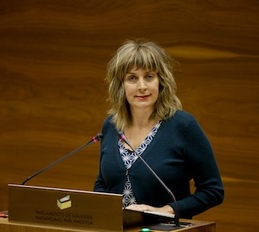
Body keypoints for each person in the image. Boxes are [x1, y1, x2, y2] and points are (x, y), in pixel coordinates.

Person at [93, 39, 224, 219]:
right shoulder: (111, 125)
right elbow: (102, 183)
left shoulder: (183, 126)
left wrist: (167, 210)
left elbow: (213, 191)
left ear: (161, 81)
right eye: (132, 78)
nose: (142, 87)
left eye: (149, 76)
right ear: (120, 85)